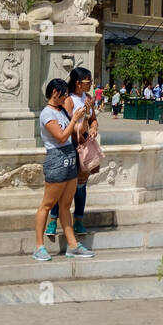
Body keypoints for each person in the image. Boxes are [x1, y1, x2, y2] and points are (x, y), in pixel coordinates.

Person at [33, 79, 93, 262]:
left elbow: (76, 131)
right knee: (47, 204)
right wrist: (74, 119)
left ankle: (73, 245)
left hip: (70, 158)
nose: (66, 97)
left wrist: (85, 115)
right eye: (64, 94)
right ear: (54, 93)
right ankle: (39, 246)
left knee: (66, 205)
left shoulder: (61, 112)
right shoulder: (47, 114)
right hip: (57, 159)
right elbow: (60, 137)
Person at [46, 66, 99, 240]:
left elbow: (93, 120)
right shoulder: (68, 100)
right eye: (87, 81)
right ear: (77, 83)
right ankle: (53, 220)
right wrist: (83, 119)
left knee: (81, 186)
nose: (90, 83)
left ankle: (78, 219)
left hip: (84, 144)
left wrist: (93, 128)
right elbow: (70, 125)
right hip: (73, 146)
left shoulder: (88, 98)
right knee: (62, 186)